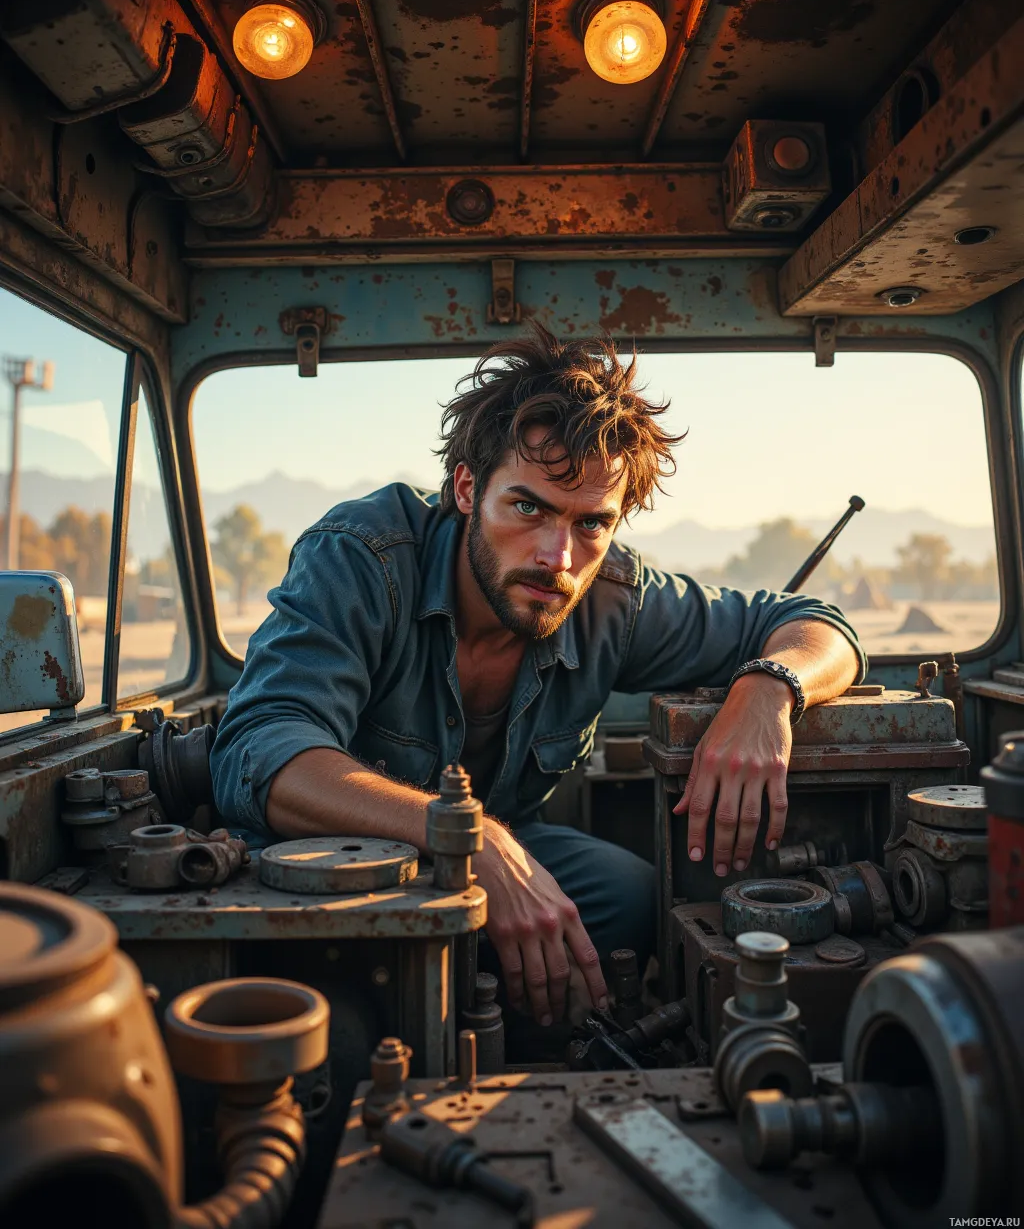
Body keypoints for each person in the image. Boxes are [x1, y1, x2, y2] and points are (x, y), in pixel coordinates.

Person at [211, 324, 864, 1027]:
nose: (558, 557)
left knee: (637, 898)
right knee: (337, 1024)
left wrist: (768, 690)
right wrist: (471, 838)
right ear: (467, 489)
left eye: (591, 524)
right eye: (528, 508)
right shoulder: (364, 559)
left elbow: (816, 624)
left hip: (503, 843)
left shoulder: (612, 599)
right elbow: (262, 751)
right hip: (335, 864)